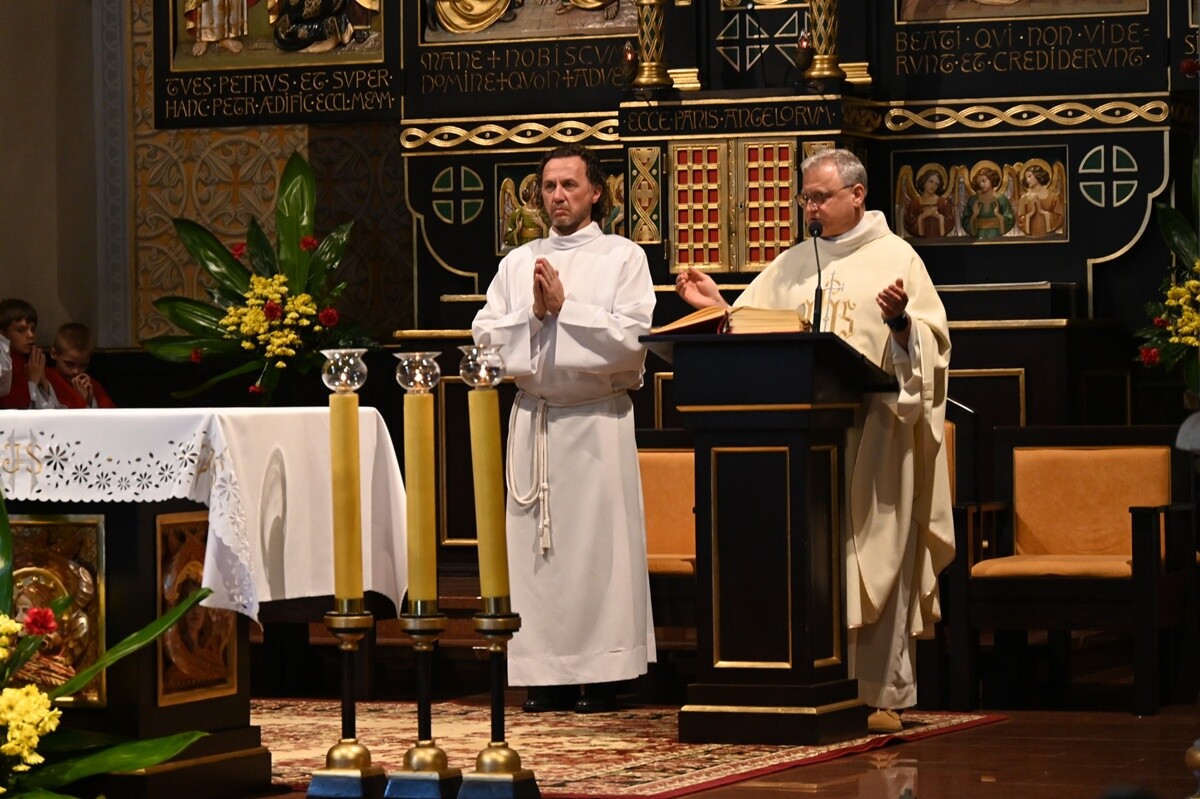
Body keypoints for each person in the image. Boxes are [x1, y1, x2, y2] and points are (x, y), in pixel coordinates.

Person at [674, 148, 954, 734]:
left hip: (874, 437)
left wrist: (903, 325)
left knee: (876, 557)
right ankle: (811, 680)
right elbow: (758, 329)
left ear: (857, 194)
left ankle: (881, 694)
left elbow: (932, 347)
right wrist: (720, 309)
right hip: (805, 450)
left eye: (821, 197)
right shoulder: (795, 263)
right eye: (806, 198)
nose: (811, 207)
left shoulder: (898, 257)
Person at [472, 143, 656, 714]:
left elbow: (633, 340)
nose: (557, 196)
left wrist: (566, 308)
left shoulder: (623, 258)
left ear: (595, 192)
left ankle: (602, 676)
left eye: (569, 185)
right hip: (537, 420)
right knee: (537, 557)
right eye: (549, 186)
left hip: (597, 422)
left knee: (598, 553)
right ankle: (545, 675)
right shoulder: (516, 262)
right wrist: (532, 314)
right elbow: (484, 340)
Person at [0, 298, 59, 409]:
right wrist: (33, 381)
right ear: (3, 333)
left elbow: (56, 412)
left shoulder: (33, 362)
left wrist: (44, 382)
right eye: (21, 330)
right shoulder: (4, 368)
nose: (31, 335)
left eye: (33, 329)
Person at [46, 323, 116, 409]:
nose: (76, 371)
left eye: (83, 365)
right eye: (69, 364)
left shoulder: (92, 386)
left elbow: (110, 418)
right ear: (54, 354)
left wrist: (90, 402)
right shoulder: (46, 380)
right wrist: (80, 400)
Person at [961, 165, 1014, 239]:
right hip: (978, 235)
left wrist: (999, 216)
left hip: (996, 235)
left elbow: (1010, 218)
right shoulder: (973, 200)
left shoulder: (1001, 199)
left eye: (984, 181)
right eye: (979, 183)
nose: (982, 184)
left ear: (991, 179)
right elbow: (965, 220)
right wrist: (973, 216)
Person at [1016, 163, 1064, 237]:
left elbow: (1060, 217)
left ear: (1038, 175)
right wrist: (1030, 214)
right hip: (1029, 238)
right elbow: (1019, 219)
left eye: (1029, 176)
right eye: (1026, 178)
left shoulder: (1053, 196)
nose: (1027, 180)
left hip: (1049, 238)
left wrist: (1043, 212)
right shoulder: (1024, 198)